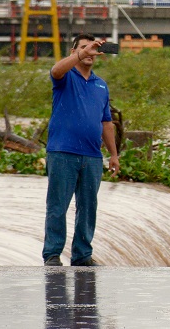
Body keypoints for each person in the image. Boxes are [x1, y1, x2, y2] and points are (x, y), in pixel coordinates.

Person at [42, 33, 119, 267]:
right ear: (74, 51)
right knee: (58, 204)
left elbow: (106, 122)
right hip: (63, 152)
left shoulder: (100, 85)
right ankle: (53, 254)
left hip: (92, 155)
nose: (90, 52)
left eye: (93, 48)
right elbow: (55, 70)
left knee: (88, 206)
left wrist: (113, 154)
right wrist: (81, 53)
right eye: (84, 48)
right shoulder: (66, 76)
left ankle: (82, 255)